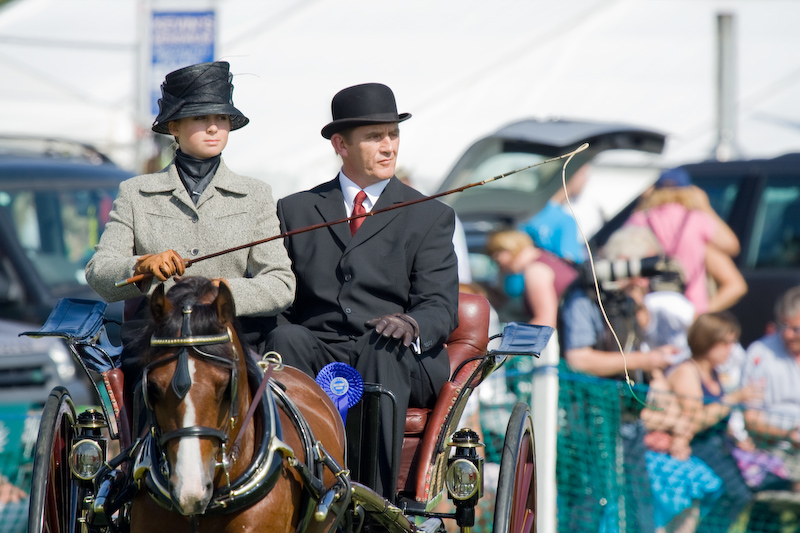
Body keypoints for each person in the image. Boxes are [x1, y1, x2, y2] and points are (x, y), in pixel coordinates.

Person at [266, 83, 459, 498]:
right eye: (375, 137)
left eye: (393, 135)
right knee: (284, 337)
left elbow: (440, 305)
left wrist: (411, 322)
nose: (388, 146)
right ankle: (293, 490)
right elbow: (279, 295)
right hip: (320, 347)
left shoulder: (430, 215)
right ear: (341, 144)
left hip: (397, 355)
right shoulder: (295, 209)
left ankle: (373, 501)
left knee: (381, 344)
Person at [85, 62, 295, 384]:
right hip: (158, 342)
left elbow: (281, 285)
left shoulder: (255, 195)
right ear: (174, 128)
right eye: (200, 118)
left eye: (221, 118)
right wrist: (141, 265)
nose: (213, 128)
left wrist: (219, 292)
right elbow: (99, 273)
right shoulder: (136, 193)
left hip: (229, 341)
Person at [662, 312, 761, 532]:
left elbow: (717, 418)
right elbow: (694, 421)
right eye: (725, 343)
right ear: (708, 340)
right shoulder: (687, 371)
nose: (731, 349)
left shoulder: (714, 372)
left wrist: (737, 439)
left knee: (744, 493)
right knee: (734, 494)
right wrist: (733, 399)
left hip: (719, 447)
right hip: (695, 447)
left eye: (733, 342)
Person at [560, 225, 680, 378]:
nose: (645, 283)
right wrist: (643, 360)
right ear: (624, 262)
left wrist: (654, 364)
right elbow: (578, 359)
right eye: (643, 272)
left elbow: (630, 349)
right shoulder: (585, 296)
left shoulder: (624, 299)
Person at [625, 167, 745, 315]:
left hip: (651, 308)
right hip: (691, 307)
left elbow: (620, 246)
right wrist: (705, 206)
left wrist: (641, 203)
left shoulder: (641, 219)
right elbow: (732, 246)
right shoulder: (695, 219)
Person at [740, 285, 800, 491]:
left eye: (796, 329)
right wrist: (787, 435)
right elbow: (751, 419)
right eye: (783, 326)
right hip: (772, 450)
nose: (788, 335)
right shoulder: (760, 353)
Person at [486, 229, 577, 329]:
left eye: (497, 260)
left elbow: (545, 322)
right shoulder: (548, 258)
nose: (500, 268)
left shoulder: (536, 270)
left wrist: (513, 342)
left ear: (506, 250)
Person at [518, 163, 589, 264]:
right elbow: (568, 267)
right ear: (569, 174)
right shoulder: (565, 221)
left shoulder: (524, 211)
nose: (586, 180)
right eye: (583, 174)